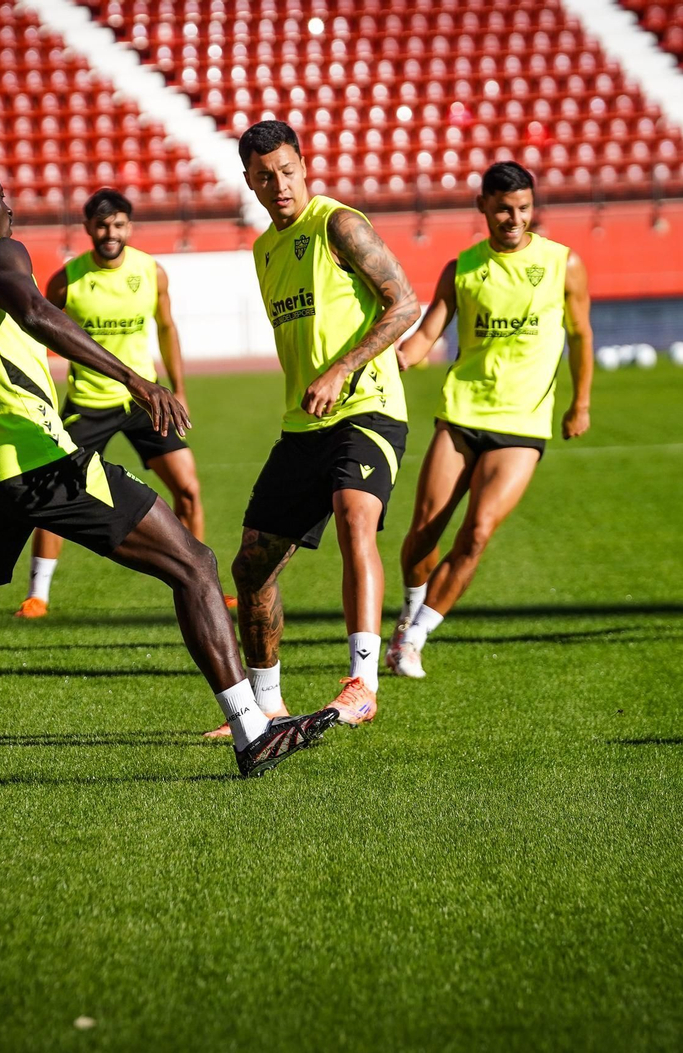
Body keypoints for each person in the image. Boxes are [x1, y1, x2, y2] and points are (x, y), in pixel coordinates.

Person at [0, 160, 337, 792]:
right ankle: (251, 730)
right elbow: (38, 315)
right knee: (196, 565)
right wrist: (136, 378)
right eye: (2, 197)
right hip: (42, 462)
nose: (11, 208)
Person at [203, 120, 420, 738]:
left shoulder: (339, 223)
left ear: (305, 166)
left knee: (356, 515)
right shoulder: (264, 249)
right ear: (249, 180)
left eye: (288, 171)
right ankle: (267, 706)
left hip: (368, 407)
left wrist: (342, 368)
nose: (280, 185)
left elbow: (403, 301)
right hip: (303, 426)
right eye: (265, 176)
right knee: (251, 568)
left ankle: (363, 684)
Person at [387, 162, 593, 678]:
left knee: (477, 533)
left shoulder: (563, 264)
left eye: (523, 207)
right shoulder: (463, 268)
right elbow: (429, 329)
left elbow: (583, 336)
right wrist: (392, 359)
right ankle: (408, 612)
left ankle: (415, 638)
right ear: (482, 206)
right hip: (461, 415)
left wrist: (581, 403)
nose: (514, 218)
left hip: (523, 424)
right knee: (422, 537)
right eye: (503, 207)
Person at [11, 188, 217, 618]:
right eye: (102, 224)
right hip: (87, 404)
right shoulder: (68, 280)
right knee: (54, 497)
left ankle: (205, 584)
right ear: (88, 227)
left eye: (119, 224)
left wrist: (178, 389)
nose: (111, 232)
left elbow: (166, 328)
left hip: (145, 402)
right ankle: (38, 595)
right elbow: (40, 337)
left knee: (189, 488)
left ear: (129, 226)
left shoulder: (152, 272)